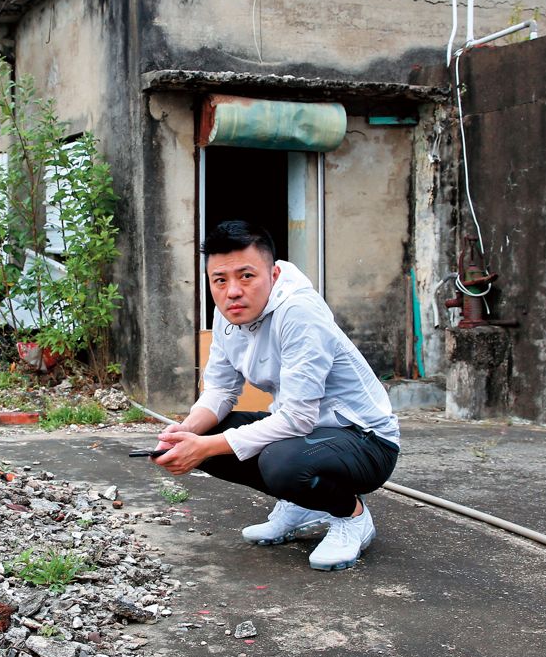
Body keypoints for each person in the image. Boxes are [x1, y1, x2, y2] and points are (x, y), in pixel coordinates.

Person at [152, 220, 400, 570]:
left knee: (279, 462)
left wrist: (206, 446)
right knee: (208, 433)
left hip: (366, 440)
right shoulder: (227, 316)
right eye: (220, 280)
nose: (232, 292)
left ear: (274, 274)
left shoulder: (299, 312)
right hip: (307, 433)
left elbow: (297, 417)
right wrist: (186, 432)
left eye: (246, 276)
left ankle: (352, 516)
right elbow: (221, 390)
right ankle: (303, 505)